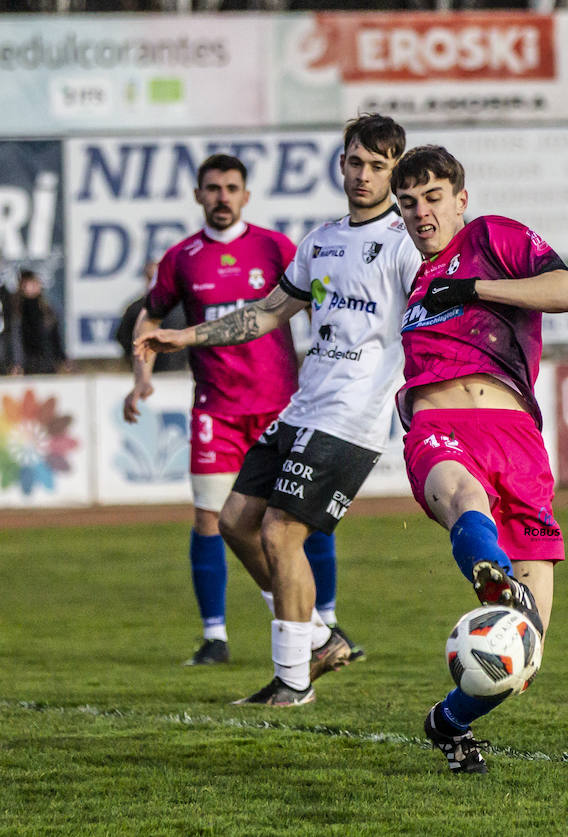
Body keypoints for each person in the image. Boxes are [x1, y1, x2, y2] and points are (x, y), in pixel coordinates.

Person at [137, 115, 420, 705]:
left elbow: (429, 330)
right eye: (354, 162)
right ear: (340, 164)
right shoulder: (319, 241)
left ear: (396, 170)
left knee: (280, 531)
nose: (363, 175)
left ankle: (293, 682)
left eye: (377, 166)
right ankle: (317, 635)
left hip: (352, 417)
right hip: (302, 408)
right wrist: (184, 338)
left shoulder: (406, 246)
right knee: (234, 521)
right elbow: (266, 313)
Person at [387, 144, 568, 773]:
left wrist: (472, 286)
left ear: (461, 199)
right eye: (409, 202)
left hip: (517, 439)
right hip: (439, 426)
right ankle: (491, 579)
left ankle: (447, 722)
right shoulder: (413, 281)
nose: (421, 211)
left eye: (432, 197)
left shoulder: (490, 238)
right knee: (465, 499)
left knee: (526, 652)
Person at [124, 153, 349, 668]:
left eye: (231, 187)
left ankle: (328, 623)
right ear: (199, 195)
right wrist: (141, 381)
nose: (222, 196)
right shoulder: (182, 257)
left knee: (300, 518)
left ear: (246, 194)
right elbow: (150, 317)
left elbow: (318, 306)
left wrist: (329, 362)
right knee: (210, 520)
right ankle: (215, 637)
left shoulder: (275, 247)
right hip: (217, 411)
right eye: (212, 188)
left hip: (282, 407)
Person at [117, 260, 188, 373]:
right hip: (151, 372)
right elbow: (123, 337)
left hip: (176, 371)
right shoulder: (136, 308)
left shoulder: (182, 307)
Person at [7, 269, 72, 375]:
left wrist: (62, 358)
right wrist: (17, 363)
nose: (33, 286)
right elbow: (16, 340)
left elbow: (55, 338)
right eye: (29, 283)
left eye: (35, 282)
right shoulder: (17, 310)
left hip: (47, 362)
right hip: (28, 364)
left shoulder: (47, 309)